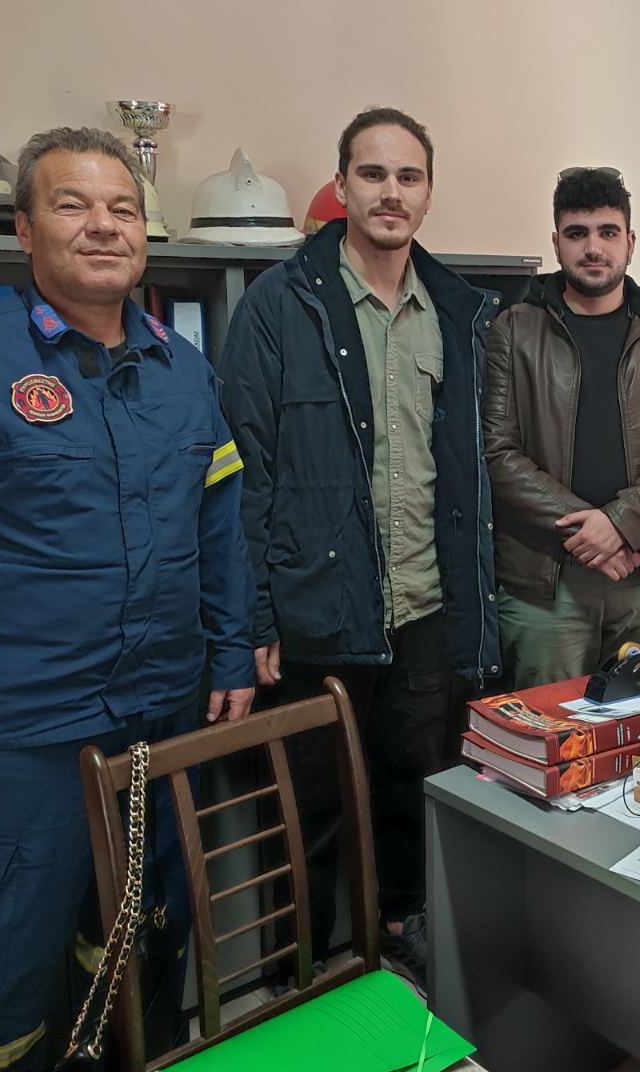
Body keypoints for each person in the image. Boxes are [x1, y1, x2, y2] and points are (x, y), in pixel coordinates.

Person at [0, 126, 254, 1071]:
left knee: (136, 961)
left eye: (124, 209)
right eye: (73, 205)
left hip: (158, 730)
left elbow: (221, 530)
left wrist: (233, 651)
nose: (104, 226)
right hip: (20, 752)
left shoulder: (185, 371)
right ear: (25, 229)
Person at [219, 107, 499, 983]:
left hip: (423, 607)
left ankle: (401, 929)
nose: (390, 192)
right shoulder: (280, 305)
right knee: (307, 809)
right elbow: (244, 474)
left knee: (410, 787)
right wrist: (255, 616)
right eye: (372, 174)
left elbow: (470, 474)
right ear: (341, 186)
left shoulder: (458, 312)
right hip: (316, 612)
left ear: (428, 192)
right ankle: (294, 970)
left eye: (408, 176)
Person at [484, 167, 640, 686]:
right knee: (551, 729)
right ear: (556, 243)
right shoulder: (513, 330)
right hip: (548, 585)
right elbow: (497, 451)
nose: (593, 248)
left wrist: (619, 525)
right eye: (577, 233)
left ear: (630, 243)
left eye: (607, 232)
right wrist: (590, 531)